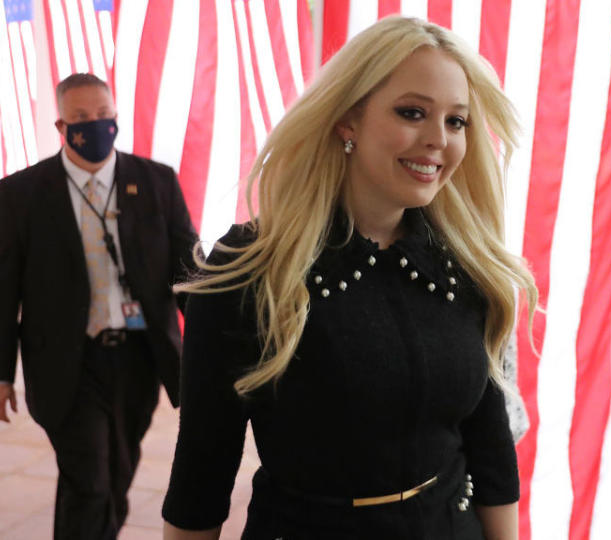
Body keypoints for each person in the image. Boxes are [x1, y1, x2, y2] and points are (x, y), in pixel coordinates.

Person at [161, 16, 537, 540]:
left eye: (457, 121)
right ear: (347, 120)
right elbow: (203, 468)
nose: (439, 141)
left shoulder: (468, 263)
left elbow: (490, 445)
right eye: (412, 113)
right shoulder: (249, 268)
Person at [0, 73, 198, 539]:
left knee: (115, 477)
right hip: (66, 362)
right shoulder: (24, 193)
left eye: (103, 115)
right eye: (81, 118)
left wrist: (213, 342)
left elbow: (189, 271)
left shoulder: (155, 181)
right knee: (91, 481)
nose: (94, 125)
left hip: (139, 357)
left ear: (115, 117)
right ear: (61, 126)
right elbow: (1, 290)